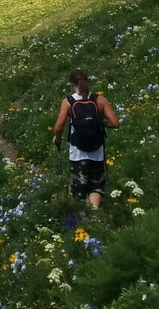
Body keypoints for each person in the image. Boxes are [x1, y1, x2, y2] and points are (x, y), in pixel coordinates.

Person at [51, 68, 120, 207]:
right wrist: (100, 122)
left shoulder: (69, 101)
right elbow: (115, 123)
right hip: (97, 151)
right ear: (87, 82)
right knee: (95, 186)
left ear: (72, 85)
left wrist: (57, 140)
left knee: (78, 189)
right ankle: (95, 215)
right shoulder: (99, 100)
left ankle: (80, 219)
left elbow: (58, 127)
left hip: (78, 153)